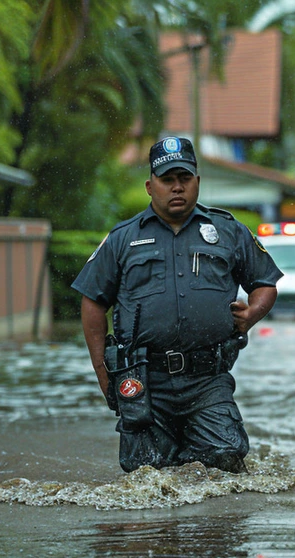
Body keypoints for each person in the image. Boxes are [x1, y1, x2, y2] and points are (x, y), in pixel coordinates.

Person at [72, 136, 282, 473]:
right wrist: (103, 373)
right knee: (147, 480)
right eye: (167, 180)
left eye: (184, 179)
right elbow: (92, 301)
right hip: (144, 382)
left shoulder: (227, 231)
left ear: (197, 182)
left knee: (227, 468)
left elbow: (265, 283)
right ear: (149, 186)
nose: (177, 188)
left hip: (208, 380)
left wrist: (252, 314)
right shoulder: (123, 239)